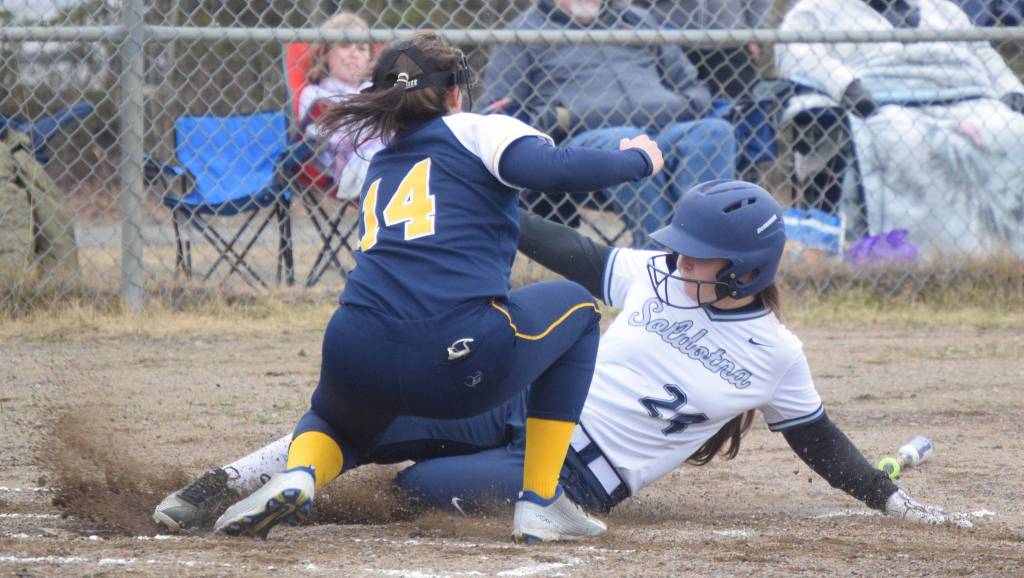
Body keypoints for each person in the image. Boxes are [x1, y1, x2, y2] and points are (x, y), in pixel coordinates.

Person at [156, 180, 972, 536]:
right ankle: (228, 482)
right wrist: (490, 209)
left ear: (748, 273)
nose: (678, 262)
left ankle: (306, 499)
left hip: (576, 478)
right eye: (680, 251)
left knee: (413, 489)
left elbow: (822, 444)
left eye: (700, 258)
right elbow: (573, 250)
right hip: (527, 403)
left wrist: (890, 503)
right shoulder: (657, 275)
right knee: (378, 415)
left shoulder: (775, 354)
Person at [202, 31, 665, 543]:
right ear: (453, 93)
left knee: (334, 421)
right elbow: (551, 169)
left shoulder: (379, 160)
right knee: (578, 311)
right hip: (456, 356)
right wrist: (637, 159)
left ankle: (300, 473)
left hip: (353, 345)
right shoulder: (477, 129)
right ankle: (541, 500)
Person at [776, 0, 1024, 256]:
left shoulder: (941, 8)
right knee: (902, 137)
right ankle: (917, 250)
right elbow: (798, 54)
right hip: (880, 100)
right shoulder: (816, 10)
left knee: (1015, 132)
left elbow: (981, 52)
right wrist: (844, 85)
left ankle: (1008, 249)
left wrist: (1010, 88)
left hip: (966, 95)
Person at [480, 0, 736, 247]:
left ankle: (707, 250)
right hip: (586, 143)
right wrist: (557, 118)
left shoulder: (639, 20)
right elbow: (499, 112)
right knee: (627, 142)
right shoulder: (523, 31)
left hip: (665, 129)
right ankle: (658, 256)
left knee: (714, 131)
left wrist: (676, 105)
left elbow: (694, 88)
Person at [295, 12, 381, 199]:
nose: (354, 53)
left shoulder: (376, 90)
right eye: (344, 45)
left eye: (361, 48)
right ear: (325, 53)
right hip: (339, 164)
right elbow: (317, 136)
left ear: (369, 58)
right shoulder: (316, 94)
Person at [638, 0, 772, 100]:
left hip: (731, 42)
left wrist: (757, 33)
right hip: (671, 44)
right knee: (675, 111)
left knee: (737, 111)